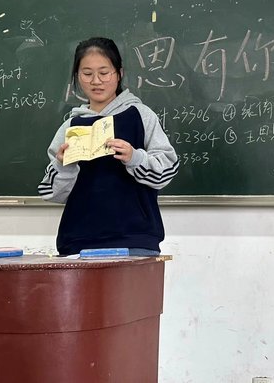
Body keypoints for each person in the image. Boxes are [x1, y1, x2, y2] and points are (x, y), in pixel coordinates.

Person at [38, 37, 179, 256]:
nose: (96, 81)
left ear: (119, 73)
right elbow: (52, 193)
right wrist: (63, 165)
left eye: (104, 73)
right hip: (78, 241)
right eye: (87, 74)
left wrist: (135, 158)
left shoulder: (139, 116)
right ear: (77, 76)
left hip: (135, 239)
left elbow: (167, 170)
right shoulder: (71, 126)